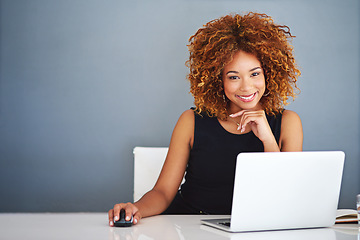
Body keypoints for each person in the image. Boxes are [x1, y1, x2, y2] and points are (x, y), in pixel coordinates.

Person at [108, 12, 303, 226]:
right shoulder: (191, 120)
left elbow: (284, 197)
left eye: (255, 74)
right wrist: (136, 208)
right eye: (233, 77)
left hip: (254, 228)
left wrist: (268, 139)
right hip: (190, 225)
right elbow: (163, 192)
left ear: (269, 74)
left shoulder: (288, 123)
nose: (246, 86)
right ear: (217, 80)